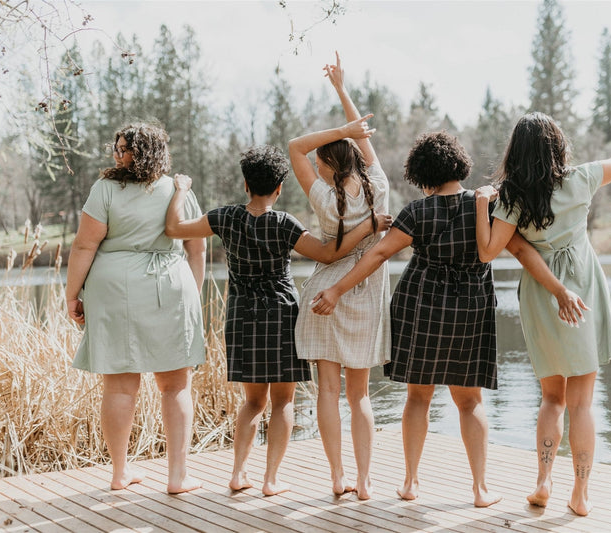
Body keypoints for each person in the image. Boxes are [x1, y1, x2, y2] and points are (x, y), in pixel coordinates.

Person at [311, 130, 580, 507]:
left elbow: (377, 255)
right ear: (460, 165)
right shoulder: (485, 204)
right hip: (469, 308)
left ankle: (409, 482)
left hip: (421, 305)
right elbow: (518, 247)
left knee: (418, 397)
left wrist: (337, 290)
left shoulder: (417, 212)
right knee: (470, 402)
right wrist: (558, 289)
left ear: (421, 173)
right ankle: (481, 489)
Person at [164, 145, 390, 496]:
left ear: (245, 184)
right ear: (280, 188)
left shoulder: (224, 217)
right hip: (281, 314)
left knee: (253, 402)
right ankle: (270, 480)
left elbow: (175, 228)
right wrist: (368, 228)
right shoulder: (285, 224)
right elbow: (330, 253)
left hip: (242, 315)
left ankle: (239, 473)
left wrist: (180, 191)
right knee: (284, 402)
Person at [475, 72, 611, 516]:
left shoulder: (512, 198)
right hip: (584, 288)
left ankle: (543, 479)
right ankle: (581, 491)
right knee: (581, 402)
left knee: (551, 398)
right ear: (557, 146)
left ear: (516, 151)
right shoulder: (581, 179)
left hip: (540, 294)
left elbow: (490, 251)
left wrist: (483, 205)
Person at [66, 122, 205, 494]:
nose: (118, 155)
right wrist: (194, 292)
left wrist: (72, 294)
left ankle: (122, 473)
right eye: (117, 148)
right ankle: (173, 476)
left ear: (145, 152)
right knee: (173, 385)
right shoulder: (178, 189)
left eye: (125, 149)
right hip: (169, 285)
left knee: (122, 384)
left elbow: (84, 247)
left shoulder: (105, 190)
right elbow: (196, 248)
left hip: (116, 287)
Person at [288, 53, 390, 500]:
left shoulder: (323, 198)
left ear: (326, 164)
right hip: (365, 294)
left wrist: (342, 126)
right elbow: (362, 140)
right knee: (360, 395)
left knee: (327, 392)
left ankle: (337, 479)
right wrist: (342, 93)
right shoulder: (379, 186)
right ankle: (365, 483)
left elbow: (295, 146)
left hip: (324, 293)